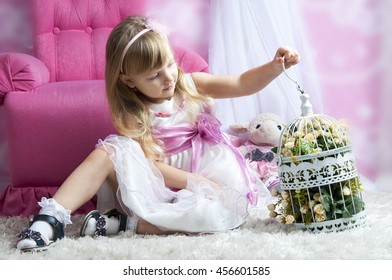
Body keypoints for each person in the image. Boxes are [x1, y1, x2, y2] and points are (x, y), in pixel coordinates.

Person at [16, 15, 300, 252]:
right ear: (129, 81)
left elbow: (241, 83)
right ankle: (49, 218)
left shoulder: (191, 84)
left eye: (169, 64)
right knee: (109, 150)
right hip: (163, 181)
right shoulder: (135, 112)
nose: (168, 77)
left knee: (216, 214)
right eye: (154, 76)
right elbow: (150, 166)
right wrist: (192, 180)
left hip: (206, 170)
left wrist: (274, 67)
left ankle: (120, 225)